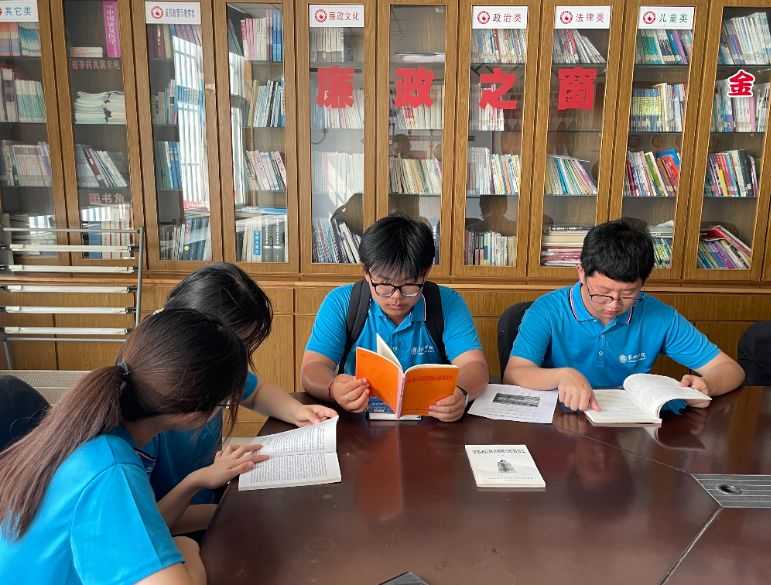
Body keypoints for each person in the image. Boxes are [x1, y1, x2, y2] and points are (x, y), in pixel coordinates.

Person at [0, 309, 266, 585]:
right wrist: (186, 549)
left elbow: (140, 528)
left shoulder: (87, 432)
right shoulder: (111, 465)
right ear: (197, 413)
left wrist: (196, 481)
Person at [146, 263, 336, 531]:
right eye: (239, 345)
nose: (241, 358)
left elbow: (254, 392)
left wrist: (298, 412)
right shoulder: (145, 409)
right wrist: (233, 511)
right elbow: (145, 526)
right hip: (175, 530)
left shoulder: (208, 365)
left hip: (209, 500)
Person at [504, 220, 745, 412]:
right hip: (563, 422)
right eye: (602, 293)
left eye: (628, 294)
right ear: (581, 273)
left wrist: (707, 384)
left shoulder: (658, 315)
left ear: (643, 283)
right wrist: (562, 375)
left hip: (630, 424)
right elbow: (515, 374)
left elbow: (729, 369)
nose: (614, 305)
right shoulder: (547, 310)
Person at [302, 214, 489, 421]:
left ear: (426, 272)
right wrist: (333, 388)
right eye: (384, 284)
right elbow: (313, 367)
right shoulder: (342, 302)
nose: (396, 297)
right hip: (359, 422)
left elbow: (474, 365)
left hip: (430, 421)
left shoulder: (447, 303)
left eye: (409, 285)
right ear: (366, 273)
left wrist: (461, 393)